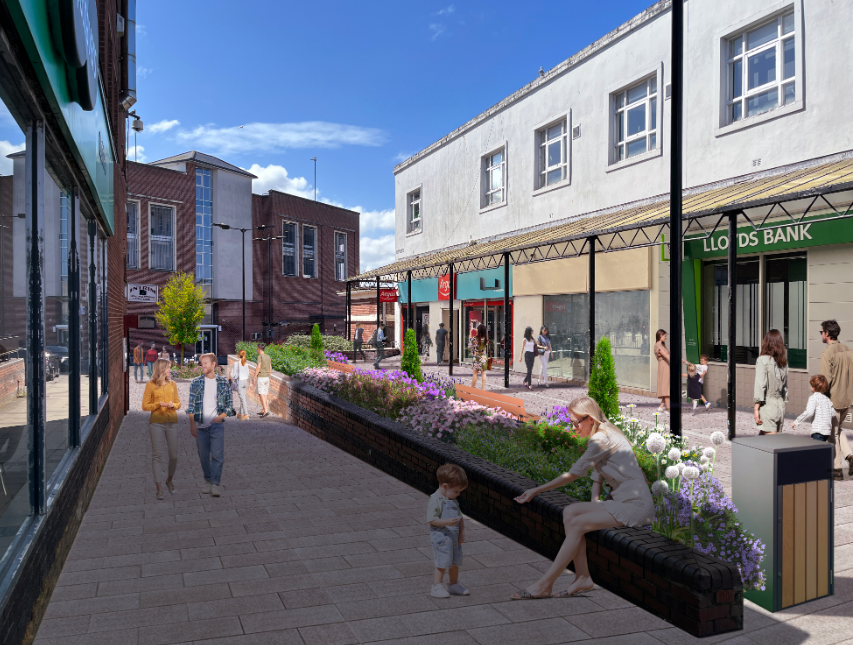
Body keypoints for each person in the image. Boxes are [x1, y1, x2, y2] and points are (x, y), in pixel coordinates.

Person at [512, 397, 654, 599]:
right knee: (570, 511)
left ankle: (545, 584)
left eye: (576, 422)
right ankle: (583, 577)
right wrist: (594, 504)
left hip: (637, 506)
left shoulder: (600, 439)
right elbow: (598, 476)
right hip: (623, 501)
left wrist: (536, 491)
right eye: (571, 422)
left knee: (578, 523)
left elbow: (574, 474)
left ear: (591, 419)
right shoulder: (604, 433)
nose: (574, 428)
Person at [186, 353, 235, 497]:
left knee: (218, 456)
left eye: (206, 363)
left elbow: (230, 405)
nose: (203, 366)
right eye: (202, 363)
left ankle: (214, 484)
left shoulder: (223, 383)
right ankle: (207, 480)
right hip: (200, 426)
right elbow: (191, 406)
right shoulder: (196, 382)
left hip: (216, 426)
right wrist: (192, 424)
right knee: (203, 456)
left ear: (214, 364)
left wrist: (221, 417)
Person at [427, 464, 469, 598]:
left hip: (454, 536)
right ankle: (436, 587)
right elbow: (431, 519)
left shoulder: (452, 499)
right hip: (442, 537)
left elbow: (460, 516)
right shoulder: (435, 499)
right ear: (445, 487)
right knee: (442, 562)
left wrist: (462, 532)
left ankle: (453, 584)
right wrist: (446, 522)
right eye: (457, 491)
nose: (458, 494)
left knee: (454, 561)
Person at [141, 358, 181, 500]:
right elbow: (144, 406)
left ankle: (169, 480)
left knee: (174, 455)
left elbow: (178, 403)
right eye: (168, 367)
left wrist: (173, 405)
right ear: (162, 369)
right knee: (157, 455)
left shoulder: (173, 384)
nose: (170, 369)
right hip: (156, 422)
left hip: (172, 421)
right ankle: (159, 489)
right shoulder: (150, 385)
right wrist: (158, 404)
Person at [819, 319, 853, 477]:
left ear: (827, 333)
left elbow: (825, 380)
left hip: (833, 400)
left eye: (821, 332)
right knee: (837, 430)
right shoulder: (848, 350)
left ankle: (837, 468)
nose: (821, 335)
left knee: (833, 435)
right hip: (847, 399)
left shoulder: (827, 353)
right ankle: (850, 457)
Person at [754, 329, 788, 435]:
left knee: (772, 446)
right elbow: (785, 387)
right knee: (765, 442)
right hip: (780, 406)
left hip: (768, 405)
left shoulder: (762, 360)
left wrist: (756, 409)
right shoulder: (783, 362)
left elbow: (760, 385)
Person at [792, 375, 834, 443]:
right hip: (827, 431)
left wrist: (796, 422)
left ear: (813, 388)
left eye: (811, 385)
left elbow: (809, 412)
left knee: (817, 451)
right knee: (821, 450)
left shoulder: (813, 398)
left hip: (818, 431)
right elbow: (833, 413)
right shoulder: (827, 399)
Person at [230, 350, 251, 420]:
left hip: (240, 382)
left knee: (243, 399)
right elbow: (248, 374)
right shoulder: (246, 363)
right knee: (242, 399)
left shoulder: (236, 363)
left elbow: (234, 375)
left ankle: (246, 414)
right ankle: (240, 413)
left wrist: (230, 374)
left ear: (238, 355)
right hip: (245, 382)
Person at [253, 343, 272, 418]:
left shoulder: (260, 356)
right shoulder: (268, 357)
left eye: (257, 348)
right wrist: (268, 375)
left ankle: (266, 411)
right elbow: (270, 368)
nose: (256, 349)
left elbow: (258, 367)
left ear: (259, 348)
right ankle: (264, 409)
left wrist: (254, 377)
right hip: (267, 377)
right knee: (265, 394)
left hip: (261, 377)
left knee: (261, 393)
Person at [654, 330, 670, 412]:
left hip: (666, 366)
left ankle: (661, 406)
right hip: (664, 366)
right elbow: (667, 356)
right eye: (665, 336)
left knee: (666, 386)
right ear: (660, 335)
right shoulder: (658, 345)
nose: (666, 337)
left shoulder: (662, 345)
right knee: (666, 387)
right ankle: (668, 408)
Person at [469, 324, 488, 390]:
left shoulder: (474, 339)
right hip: (483, 357)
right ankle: (482, 389)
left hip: (476, 357)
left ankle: (472, 388)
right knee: (483, 373)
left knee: (475, 374)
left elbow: (469, 348)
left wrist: (470, 334)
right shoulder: (486, 339)